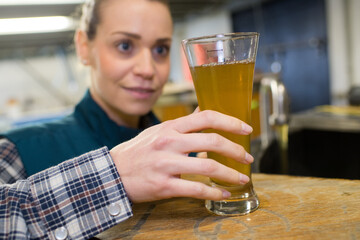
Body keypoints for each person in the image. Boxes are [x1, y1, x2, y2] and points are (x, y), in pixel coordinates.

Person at [0, 0, 254, 239]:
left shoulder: (191, 159)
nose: (147, 69)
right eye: (124, 45)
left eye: (160, 49)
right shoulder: (17, 151)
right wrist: (114, 176)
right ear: (83, 47)